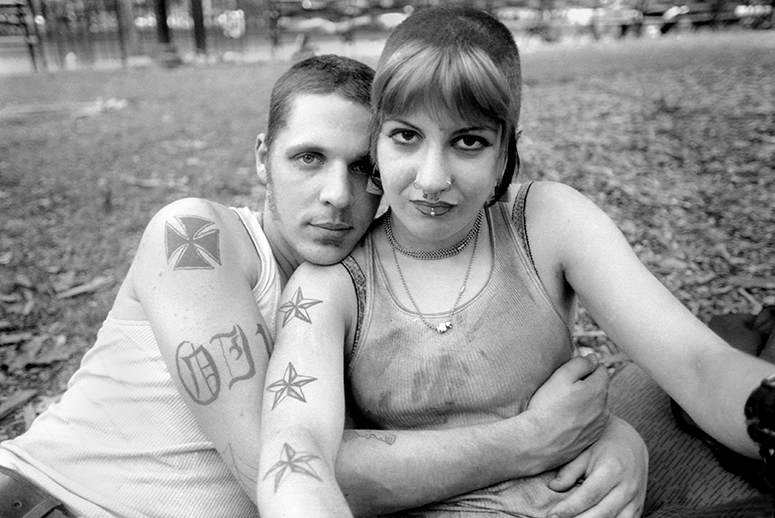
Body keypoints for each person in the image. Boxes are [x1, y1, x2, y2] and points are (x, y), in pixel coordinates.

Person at [0, 54, 616, 518]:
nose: (337, 195)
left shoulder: (366, 292)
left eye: (363, 167)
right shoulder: (197, 237)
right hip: (54, 499)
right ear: (262, 157)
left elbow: (440, 426)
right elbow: (274, 469)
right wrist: (534, 440)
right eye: (308, 158)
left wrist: (610, 438)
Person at [257, 7, 775, 518]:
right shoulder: (330, 288)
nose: (432, 179)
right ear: (376, 140)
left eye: (468, 141)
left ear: (506, 152)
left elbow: (698, 364)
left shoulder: (546, 223)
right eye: (406, 136)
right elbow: (296, 446)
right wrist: (538, 437)